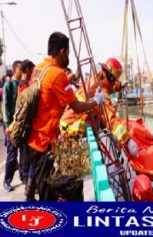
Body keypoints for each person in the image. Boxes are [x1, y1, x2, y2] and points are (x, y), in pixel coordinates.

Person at [27, 31, 106, 201]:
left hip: (33, 139)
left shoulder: (39, 69)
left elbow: (50, 92)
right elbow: (77, 107)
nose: (68, 56)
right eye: (68, 52)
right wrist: (96, 101)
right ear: (62, 52)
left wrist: (71, 77)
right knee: (49, 195)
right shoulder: (57, 74)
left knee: (48, 188)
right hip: (43, 143)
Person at [60, 57, 138, 157]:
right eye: (114, 80)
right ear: (111, 77)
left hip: (67, 121)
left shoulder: (96, 77)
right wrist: (128, 141)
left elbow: (107, 85)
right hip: (73, 129)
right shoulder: (101, 91)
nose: (114, 82)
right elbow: (111, 119)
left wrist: (119, 86)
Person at [17, 59, 36, 201]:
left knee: (30, 160)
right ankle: (29, 192)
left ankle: (29, 190)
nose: (33, 73)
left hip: (26, 128)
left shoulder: (23, 86)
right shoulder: (24, 87)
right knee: (31, 161)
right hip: (27, 129)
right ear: (28, 69)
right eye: (32, 70)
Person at [2, 61, 22, 192]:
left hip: (20, 124)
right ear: (15, 70)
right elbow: (5, 106)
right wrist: (8, 127)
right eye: (21, 69)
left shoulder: (22, 85)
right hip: (11, 126)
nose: (22, 71)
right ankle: (6, 181)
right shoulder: (8, 86)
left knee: (22, 153)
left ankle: (22, 176)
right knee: (11, 153)